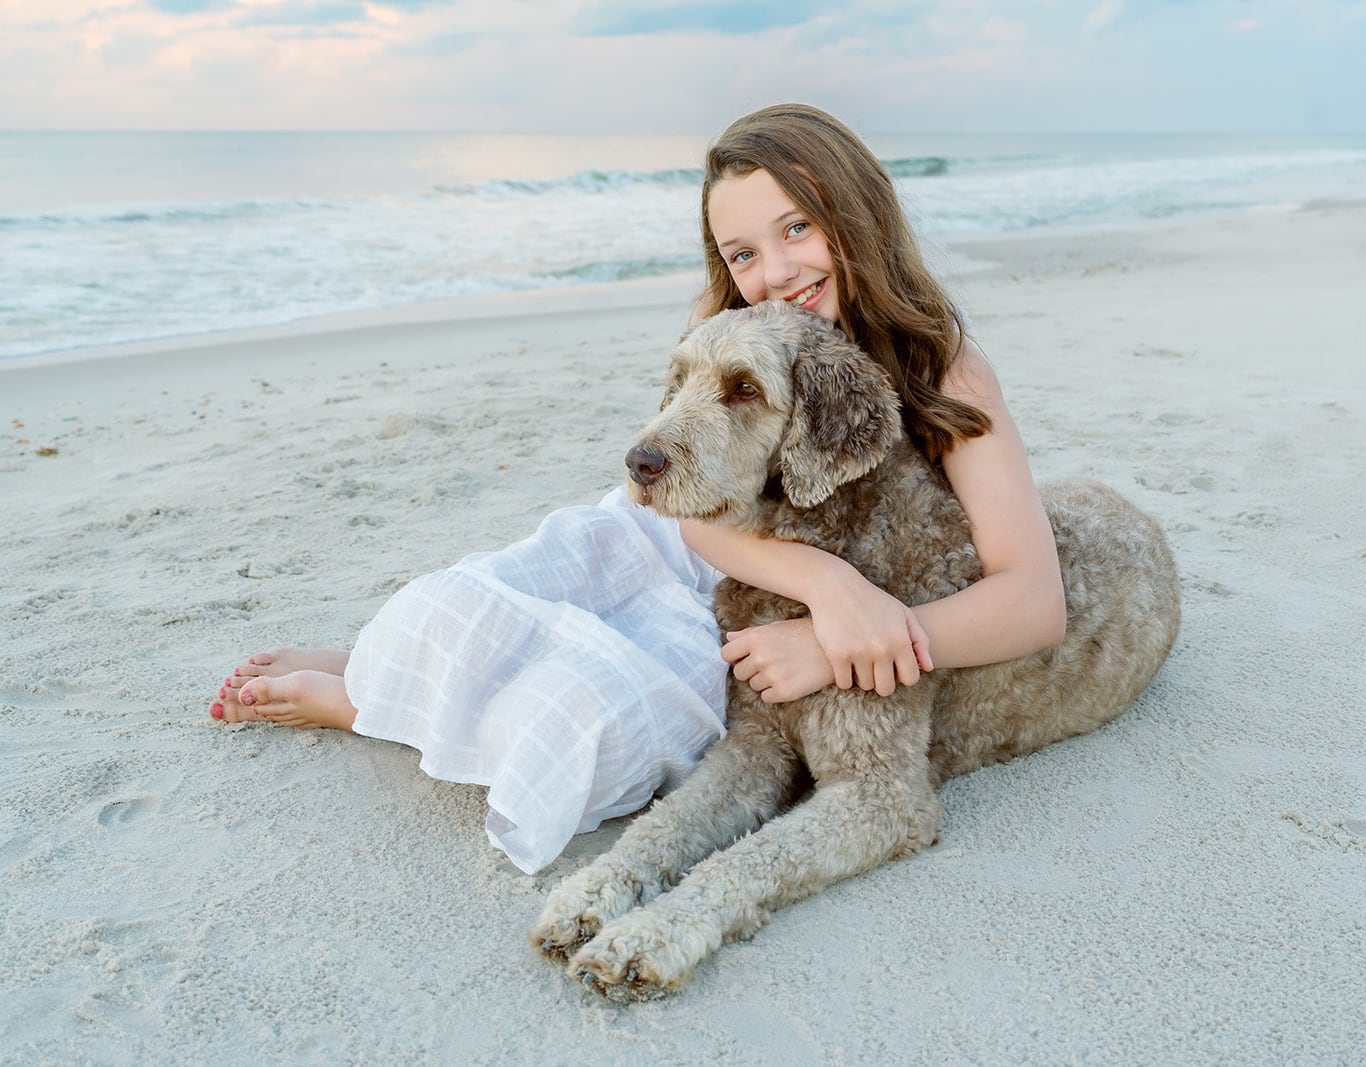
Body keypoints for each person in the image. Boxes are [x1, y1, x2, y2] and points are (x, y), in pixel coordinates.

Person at [208, 103, 1066, 873]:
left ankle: (376, 703)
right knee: (478, 597)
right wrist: (827, 585)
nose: (774, 271)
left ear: (860, 212)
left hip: (750, 605)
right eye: (742, 253)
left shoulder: (943, 368)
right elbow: (691, 515)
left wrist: (839, 636)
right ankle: (373, 675)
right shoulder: (724, 326)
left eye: (797, 227)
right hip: (685, 533)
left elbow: (1033, 600)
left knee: (600, 720)